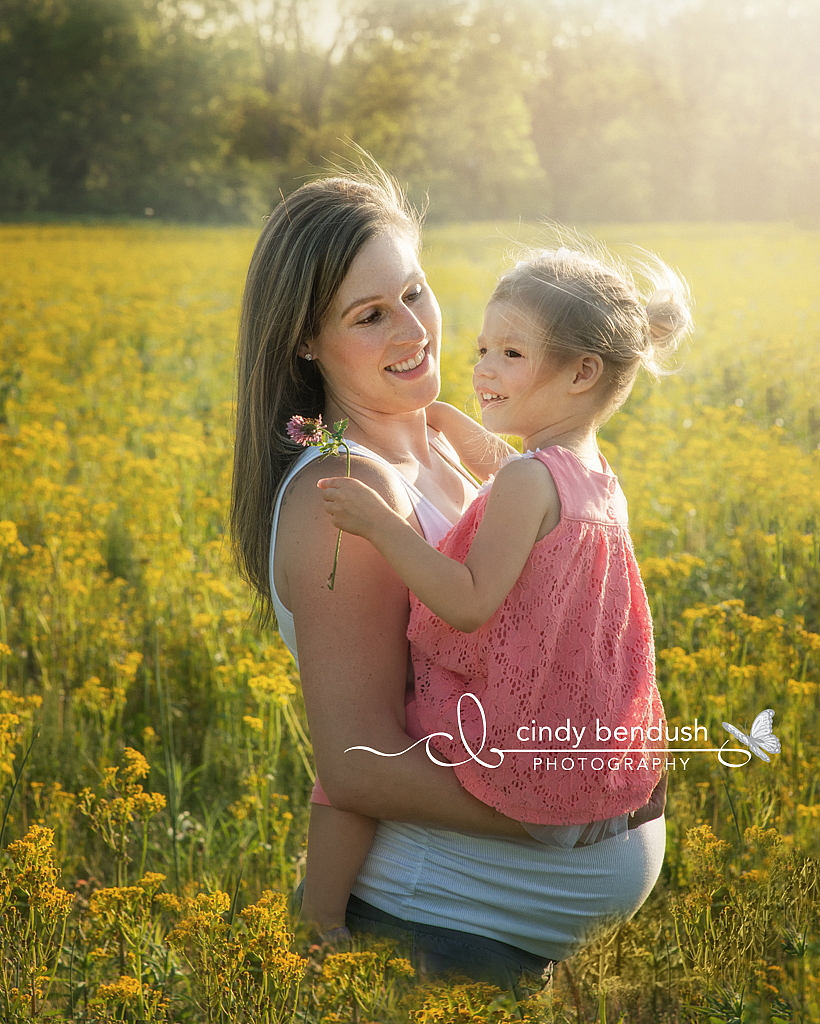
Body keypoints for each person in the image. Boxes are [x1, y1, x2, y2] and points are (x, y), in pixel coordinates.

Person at [230, 165, 680, 990]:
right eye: (370, 316)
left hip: (492, 930)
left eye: (415, 292)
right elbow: (358, 764)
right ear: (305, 341)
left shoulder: (448, 444)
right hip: (440, 921)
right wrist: (575, 817)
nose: (415, 330)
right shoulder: (349, 494)